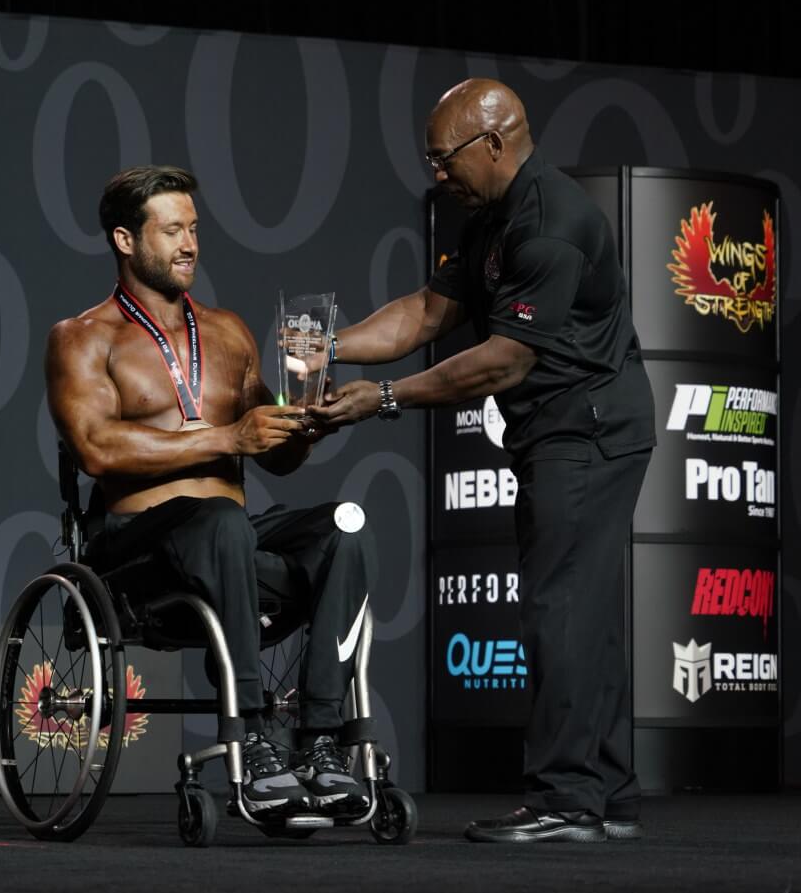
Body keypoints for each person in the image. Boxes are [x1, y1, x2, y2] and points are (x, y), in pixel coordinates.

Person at [311, 79, 656, 843]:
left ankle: (566, 797)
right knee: (584, 609)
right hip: (561, 430)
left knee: (560, 608)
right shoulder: (489, 220)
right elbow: (426, 313)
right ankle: (608, 793)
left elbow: (503, 360)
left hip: (588, 430)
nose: (437, 174)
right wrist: (328, 346)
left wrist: (385, 398)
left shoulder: (551, 223)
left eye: (444, 158)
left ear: (494, 143)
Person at [45, 165, 375, 819]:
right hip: (140, 551)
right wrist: (228, 437)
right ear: (125, 240)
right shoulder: (83, 338)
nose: (190, 244)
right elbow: (95, 448)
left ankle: (321, 741)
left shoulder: (228, 333)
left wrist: (308, 423)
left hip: (230, 538)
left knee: (342, 525)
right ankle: (252, 736)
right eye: (172, 231)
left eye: (194, 229)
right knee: (221, 517)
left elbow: (276, 455)